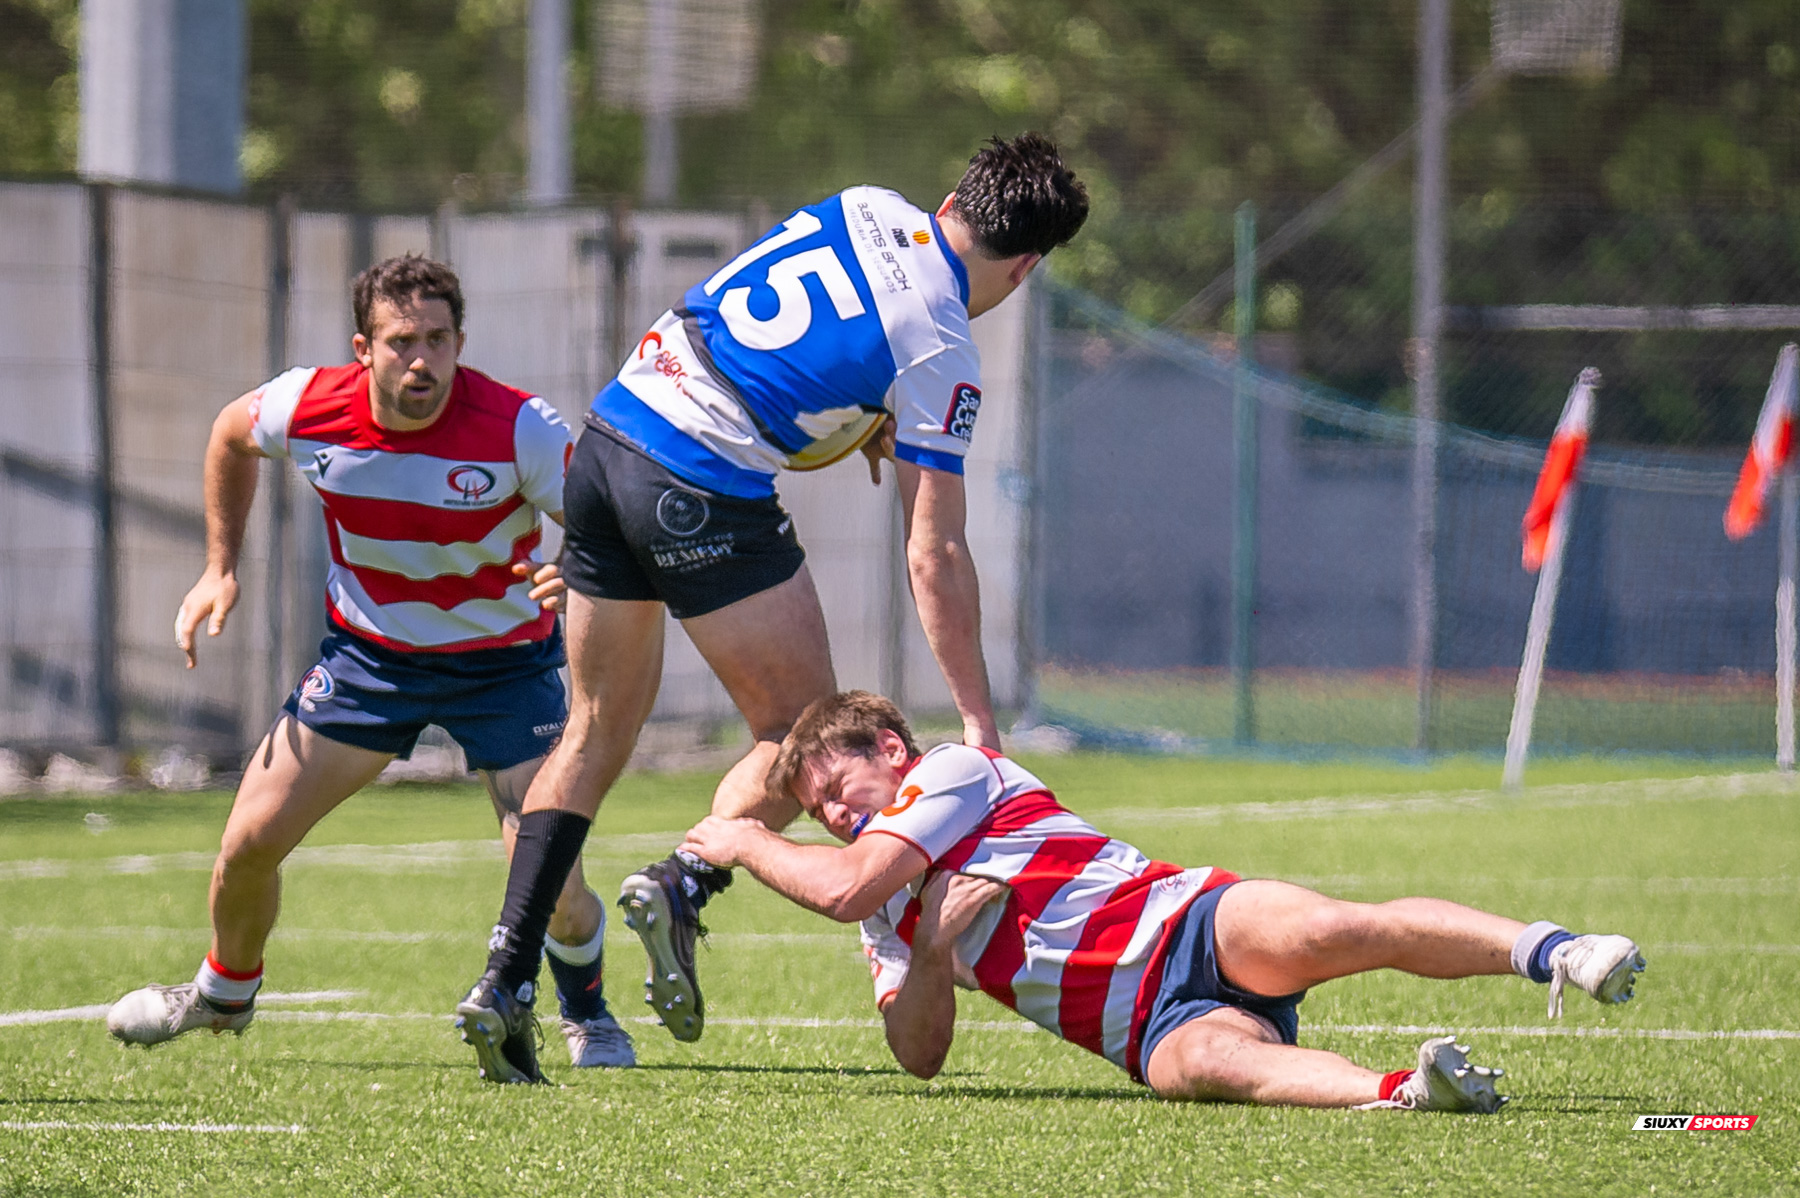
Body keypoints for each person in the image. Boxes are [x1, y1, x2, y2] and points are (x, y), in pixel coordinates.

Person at [455, 134, 1090, 1083]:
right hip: (698, 481)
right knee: (806, 736)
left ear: (957, 190)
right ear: (1030, 264)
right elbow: (936, 552)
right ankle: (687, 879)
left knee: (588, 733)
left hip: (611, 440)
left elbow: (784, 348)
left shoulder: (868, 199)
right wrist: (978, 720)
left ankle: (504, 980)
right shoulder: (944, 346)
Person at [105, 255, 635, 1075]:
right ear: (364, 348)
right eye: (400, 342)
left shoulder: (518, 428)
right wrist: (219, 565)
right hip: (371, 662)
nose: (421, 360)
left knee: (554, 891)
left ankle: (588, 1012)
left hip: (505, 668)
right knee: (246, 844)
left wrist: (578, 563)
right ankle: (225, 991)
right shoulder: (308, 407)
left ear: (461, 341)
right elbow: (228, 435)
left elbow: (599, 519)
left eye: (437, 339)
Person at [676, 690, 1650, 1111]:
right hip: (1146, 1026)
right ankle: (1403, 1089)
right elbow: (920, 1056)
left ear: (889, 748)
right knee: (1207, 1068)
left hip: (1186, 924)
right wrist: (933, 951)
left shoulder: (952, 772)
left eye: (835, 793)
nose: (835, 819)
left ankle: (1555, 949)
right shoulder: (895, 915)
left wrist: (751, 837)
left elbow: (842, 887)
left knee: (1333, 928)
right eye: (814, 814)